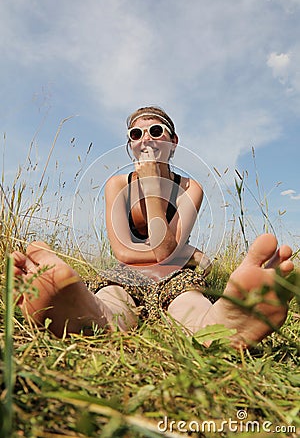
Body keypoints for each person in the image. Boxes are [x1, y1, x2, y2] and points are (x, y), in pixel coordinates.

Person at [12, 106, 295, 348]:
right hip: (126, 273)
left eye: (156, 131)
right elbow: (123, 253)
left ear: (173, 142)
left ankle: (219, 325)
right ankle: (83, 313)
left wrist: (152, 189)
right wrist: (189, 252)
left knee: (188, 301)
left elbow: (165, 253)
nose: (145, 139)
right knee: (112, 297)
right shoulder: (118, 185)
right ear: (130, 145)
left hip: (174, 275)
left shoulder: (189, 188)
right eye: (136, 134)